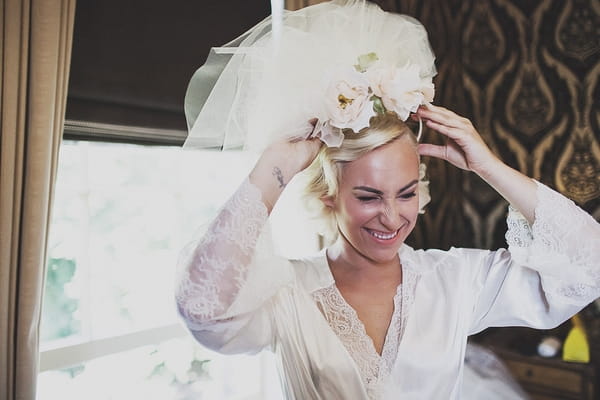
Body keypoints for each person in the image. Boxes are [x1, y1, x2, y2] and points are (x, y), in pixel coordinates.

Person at [175, 1, 600, 398]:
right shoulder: (287, 293)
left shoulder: (456, 281)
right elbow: (202, 308)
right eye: (368, 196)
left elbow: (589, 264)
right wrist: (274, 170)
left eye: (407, 192)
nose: (393, 217)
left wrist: (490, 167)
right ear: (328, 196)